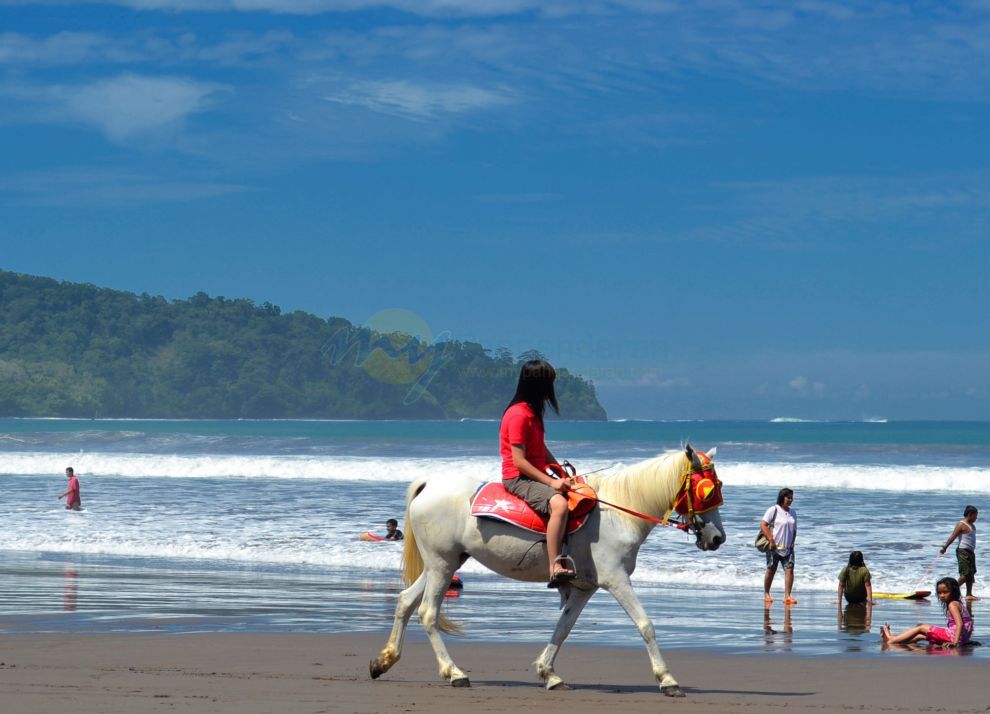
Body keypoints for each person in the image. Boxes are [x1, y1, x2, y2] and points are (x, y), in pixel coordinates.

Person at [499, 359, 573, 587]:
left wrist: (559, 471)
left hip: (534, 474)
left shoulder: (533, 413)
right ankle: (554, 565)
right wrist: (552, 484)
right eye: (548, 383)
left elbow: (541, 449)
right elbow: (520, 462)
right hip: (517, 478)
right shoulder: (518, 415)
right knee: (559, 504)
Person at [881, 576, 973, 649]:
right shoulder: (958, 603)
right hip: (962, 638)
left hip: (954, 638)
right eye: (940, 593)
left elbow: (960, 624)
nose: (942, 595)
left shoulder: (952, 605)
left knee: (921, 627)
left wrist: (955, 643)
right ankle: (894, 638)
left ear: (954, 591)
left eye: (945, 592)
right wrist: (962, 640)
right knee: (920, 636)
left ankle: (891, 640)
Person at [760, 487, 797, 605]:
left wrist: (792, 543)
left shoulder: (793, 513)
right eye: (788, 497)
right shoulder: (773, 510)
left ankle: (788, 596)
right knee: (771, 570)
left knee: (789, 570)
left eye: (792, 498)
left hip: (788, 548)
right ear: (782, 497)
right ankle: (766, 593)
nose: (790, 500)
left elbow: (794, 530)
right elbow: (763, 525)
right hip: (774, 547)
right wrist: (771, 540)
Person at [941, 505, 978, 601]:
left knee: (970, 574)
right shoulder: (961, 524)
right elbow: (953, 537)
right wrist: (945, 547)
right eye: (975, 515)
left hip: (970, 552)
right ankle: (951, 590)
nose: (976, 518)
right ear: (970, 514)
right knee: (965, 574)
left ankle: (969, 594)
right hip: (963, 551)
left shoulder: (972, 526)